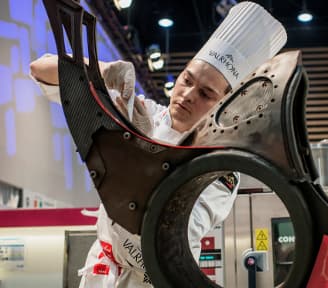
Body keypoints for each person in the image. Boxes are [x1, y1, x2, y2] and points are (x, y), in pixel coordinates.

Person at [30, 2, 286, 287]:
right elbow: (41, 69)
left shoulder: (219, 167)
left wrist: (136, 155)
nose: (187, 95)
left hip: (156, 278)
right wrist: (104, 72)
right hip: (101, 273)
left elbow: (168, 237)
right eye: (187, 79)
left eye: (205, 93)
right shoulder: (143, 113)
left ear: (225, 104)